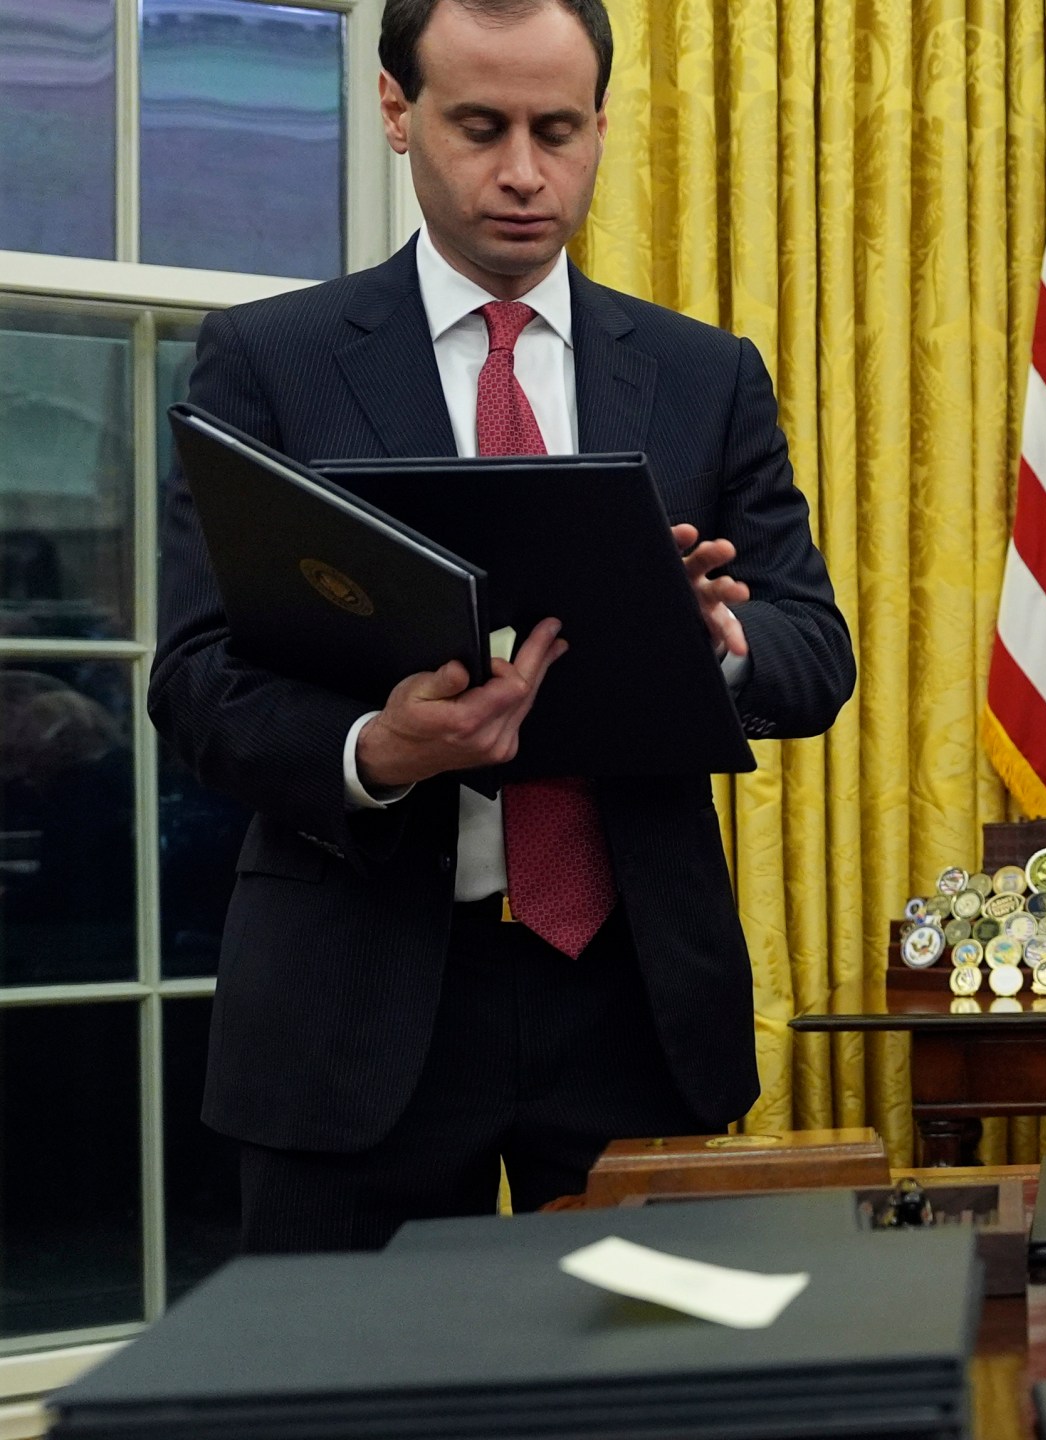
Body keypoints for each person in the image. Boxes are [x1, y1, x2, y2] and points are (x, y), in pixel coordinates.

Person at [148, 0, 854, 1252]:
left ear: (598, 126)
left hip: (635, 997)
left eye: (559, 129)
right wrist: (376, 749)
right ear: (395, 111)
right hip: (353, 1001)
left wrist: (712, 643)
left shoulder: (705, 374)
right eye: (481, 127)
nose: (525, 173)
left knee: (643, 1387)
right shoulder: (271, 360)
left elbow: (815, 649)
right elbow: (198, 682)